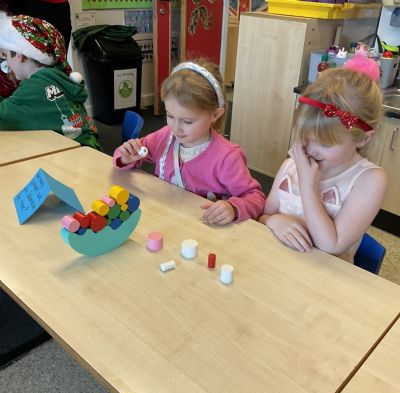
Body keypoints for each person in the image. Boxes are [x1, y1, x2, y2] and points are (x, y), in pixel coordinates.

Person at [258, 55, 387, 263]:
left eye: (325, 144)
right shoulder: (291, 165)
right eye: (305, 138)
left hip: (324, 277)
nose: (310, 150)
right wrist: (274, 221)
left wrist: (308, 185)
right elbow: (263, 217)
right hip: (277, 264)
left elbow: (331, 246)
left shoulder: (370, 180)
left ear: (363, 138)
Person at [113, 59, 265, 225]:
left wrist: (233, 208)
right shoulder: (165, 136)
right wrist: (125, 157)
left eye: (187, 121)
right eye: (170, 116)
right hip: (165, 220)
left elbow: (255, 197)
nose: (176, 128)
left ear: (215, 115)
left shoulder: (228, 157)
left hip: (202, 230)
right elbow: (123, 156)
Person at [0, 12, 101, 150]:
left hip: (75, 157)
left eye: (6, 56)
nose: (6, 64)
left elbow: (4, 117)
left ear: (19, 54)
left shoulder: (35, 87)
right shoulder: (55, 76)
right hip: (91, 151)